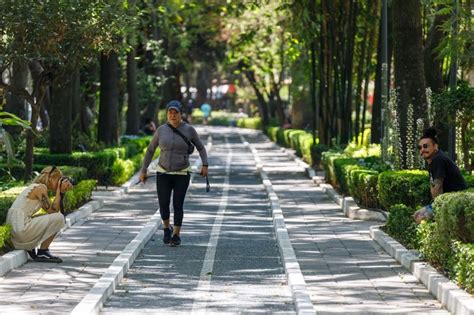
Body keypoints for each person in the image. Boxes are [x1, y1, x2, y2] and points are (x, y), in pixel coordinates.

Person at [139, 100, 209, 246]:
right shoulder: (161, 130)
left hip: (182, 173)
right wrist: (144, 170)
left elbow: (201, 148)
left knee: (178, 204)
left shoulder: (189, 130)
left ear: (180, 114)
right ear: (167, 114)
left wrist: (205, 164)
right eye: (170, 112)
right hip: (163, 172)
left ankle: (176, 234)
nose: (172, 115)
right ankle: (166, 228)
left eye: (175, 112)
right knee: (163, 203)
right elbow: (151, 150)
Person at [6, 166, 74, 262]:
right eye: (58, 179)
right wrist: (59, 191)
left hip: (17, 228)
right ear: (51, 178)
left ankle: (33, 247)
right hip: (20, 229)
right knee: (59, 218)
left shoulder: (36, 187)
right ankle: (43, 251)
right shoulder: (40, 188)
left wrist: (61, 192)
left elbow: (51, 212)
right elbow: (53, 212)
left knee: (50, 217)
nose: (60, 182)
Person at [413, 128, 467, 223]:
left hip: (453, 201)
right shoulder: (433, 161)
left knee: (420, 218)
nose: (422, 150)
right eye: (420, 147)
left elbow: (438, 187)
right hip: (446, 199)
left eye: (426, 146)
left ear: (435, 146)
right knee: (417, 215)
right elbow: (433, 185)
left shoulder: (438, 159)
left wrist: (436, 208)